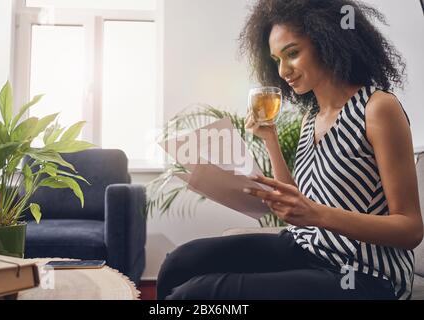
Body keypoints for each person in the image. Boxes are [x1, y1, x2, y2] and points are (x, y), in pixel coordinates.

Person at [157, 0, 423, 300]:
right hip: (306, 247)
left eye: (292, 53)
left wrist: (316, 214)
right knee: (179, 263)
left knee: (196, 294)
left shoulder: (377, 109)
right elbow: (298, 202)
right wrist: (269, 138)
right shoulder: (312, 118)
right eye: (276, 59)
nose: (283, 70)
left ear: (328, 42)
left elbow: (410, 229)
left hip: (363, 274)